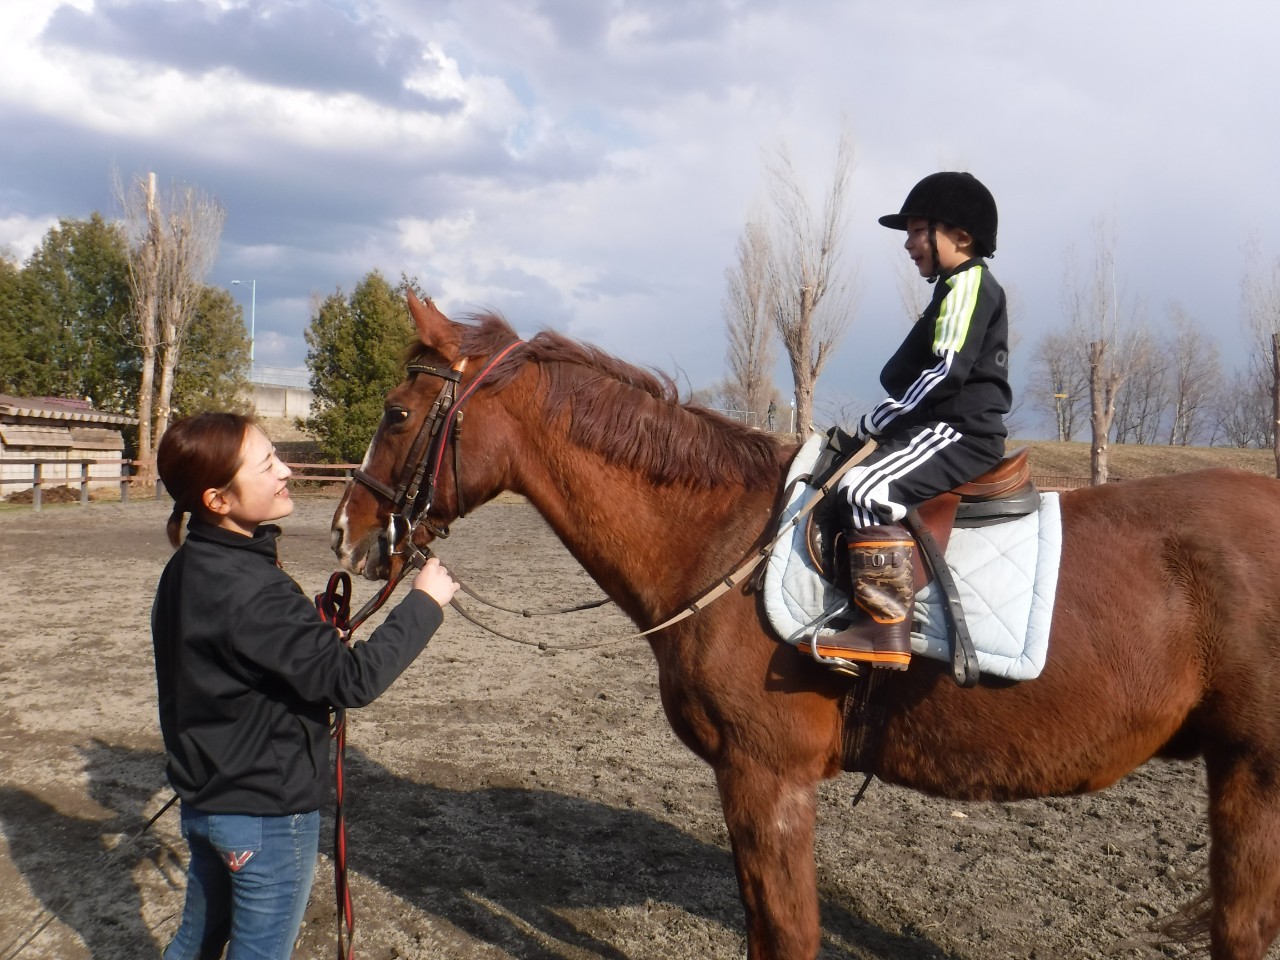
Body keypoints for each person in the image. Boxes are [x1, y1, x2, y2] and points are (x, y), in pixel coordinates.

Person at [151, 412, 458, 960]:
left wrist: (310, 642)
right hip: (266, 817)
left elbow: (236, 663)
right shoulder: (254, 589)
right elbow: (352, 680)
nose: (286, 469)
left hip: (206, 803)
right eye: (268, 464)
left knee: (193, 942)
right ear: (218, 499)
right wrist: (424, 604)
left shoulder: (188, 566)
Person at [827, 172, 1011, 671]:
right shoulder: (951, 286)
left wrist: (875, 421)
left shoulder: (970, 283)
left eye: (916, 232)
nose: (907, 245)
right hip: (938, 426)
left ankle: (883, 629)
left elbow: (946, 370)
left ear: (962, 237)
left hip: (960, 431)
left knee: (865, 491)